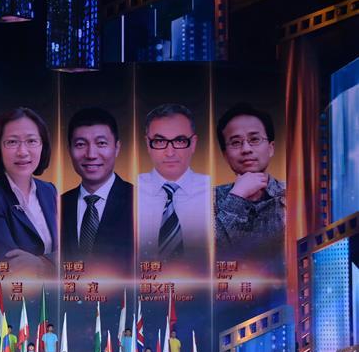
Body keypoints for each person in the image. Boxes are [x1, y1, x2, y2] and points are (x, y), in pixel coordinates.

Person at [0, 107, 58, 277]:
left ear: (43, 146)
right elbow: (11, 264)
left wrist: (42, 263)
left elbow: (75, 249)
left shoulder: (50, 191)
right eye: (12, 142)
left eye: (31, 141)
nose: (23, 152)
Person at [60, 107, 134, 274]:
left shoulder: (143, 203)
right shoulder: (56, 206)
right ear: (69, 150)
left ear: (117, 148)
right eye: (80, 144)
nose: (91, 154)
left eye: (101, 143)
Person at [214, 103, 285, 269]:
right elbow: (201, 257)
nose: (246, 149)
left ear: (271, 148)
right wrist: (237, 196)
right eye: (235, 142)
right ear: (225, 155)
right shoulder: (206, 200)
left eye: (254, 139)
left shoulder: (295, 195)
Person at [137, 103, 210, 264]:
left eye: (180, 140)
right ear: (148, 144)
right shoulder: (128, 192)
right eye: (159, 141)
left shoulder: (215, 192)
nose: (170, 153)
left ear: (194, 143)